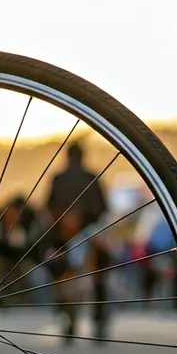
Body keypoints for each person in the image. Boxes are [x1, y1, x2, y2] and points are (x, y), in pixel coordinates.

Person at [44, 141, 111, 339]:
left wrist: (66, 221)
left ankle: (65, 314)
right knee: (101, 271)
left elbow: (48, 207)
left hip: (67, 235)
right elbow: (102, 208)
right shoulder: (92, 177)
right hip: (87, 232)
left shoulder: (58, 179)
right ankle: (99, 317)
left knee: (56, 267)